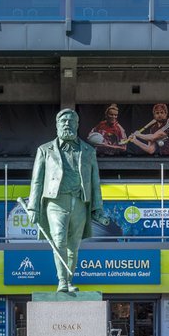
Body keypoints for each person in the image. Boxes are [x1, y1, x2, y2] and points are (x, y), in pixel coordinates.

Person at [27, 109, 107, 293]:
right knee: (59, 241)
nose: (67, 124)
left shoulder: (88, 151)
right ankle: (62, 281)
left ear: (77, 125)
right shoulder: (44, 150)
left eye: (71, 121)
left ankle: (69, 281)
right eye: (63, 121)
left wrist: (98, 208)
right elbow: (37, 180)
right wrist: (33, 207)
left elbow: (95, 182)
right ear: (56, 125)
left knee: (74, 246)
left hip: (79, 202)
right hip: (56, 202)